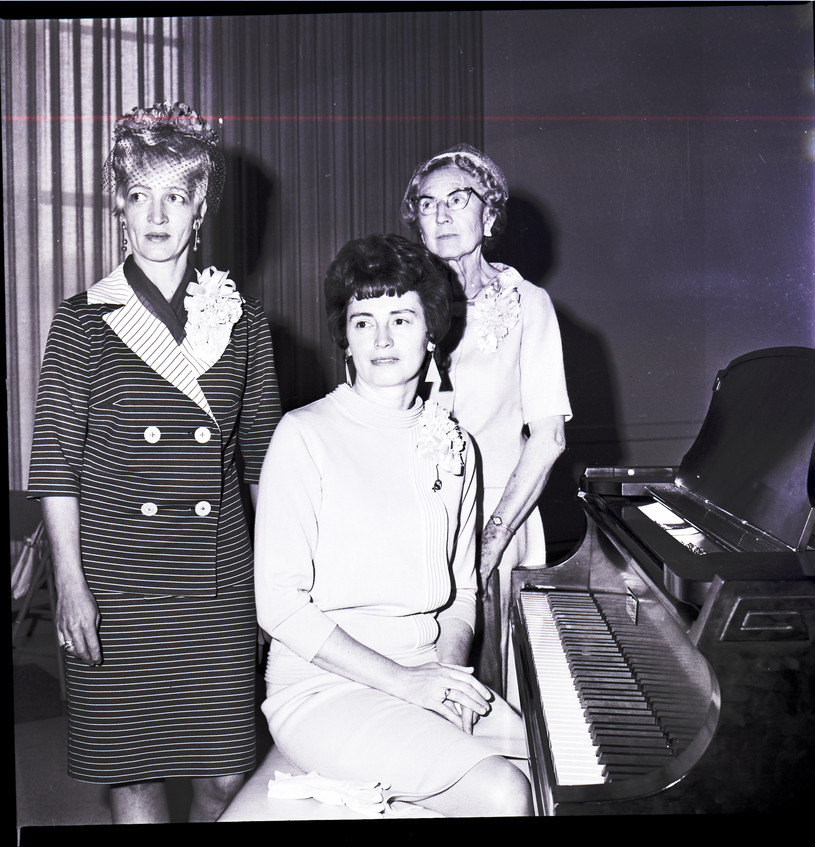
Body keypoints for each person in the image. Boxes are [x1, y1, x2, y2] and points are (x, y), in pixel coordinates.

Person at [27, 101, 281, 823]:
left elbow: (265, 464)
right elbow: (55, 464)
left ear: (200, 206)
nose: (158, 213)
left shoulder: (244, 322)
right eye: (140, 194)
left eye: (176, 194)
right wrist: (69, 585)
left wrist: (275, 583)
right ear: (120, 208)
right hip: (118, 582)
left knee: (226, 774)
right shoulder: (83, 319)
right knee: (134, 773)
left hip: (217, 579)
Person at [254, 234, 532, 817]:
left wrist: (444, 677)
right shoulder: (304, 435)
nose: (381, 339)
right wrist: (407, 685)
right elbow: (279, 606)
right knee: (505, 792)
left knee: (557, 766)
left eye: (401, 319)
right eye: (363, 322)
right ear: (347, 338)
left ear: (431, 332)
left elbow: (461, 593)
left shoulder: (456, 446)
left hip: (428, 671)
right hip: (324, 688)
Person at [400, 144, 572, 710]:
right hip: (416, 519)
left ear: (489, 214)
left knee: (497, 693)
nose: (442, 214)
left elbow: (548, 438)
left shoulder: (528, 304)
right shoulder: (399, 300)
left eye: (458, 199)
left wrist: (491, 541)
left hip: (499, 516)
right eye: (428, 205)